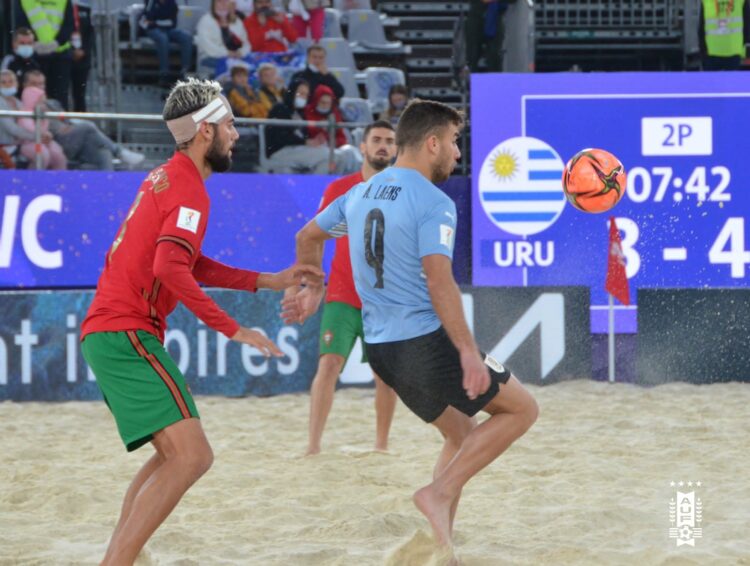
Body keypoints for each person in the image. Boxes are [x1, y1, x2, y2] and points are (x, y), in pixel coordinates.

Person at [80, 77, 323, 565]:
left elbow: (186, 261)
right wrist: (234, 329)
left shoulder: (166, 176)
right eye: (230, 124)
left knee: (173, 456)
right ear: (205, 130)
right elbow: (168, 268)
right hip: (127, 332)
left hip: (110, 332)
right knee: (193, 457)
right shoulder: (190, 190)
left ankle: (119, 556)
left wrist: (268, 281)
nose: (237, 134)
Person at [285, 99, 538, 549]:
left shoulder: (360, 191)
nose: (459, 154)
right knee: (522, 410)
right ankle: (437, 494)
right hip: (424, 340)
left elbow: (307, 237)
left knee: (461, 433)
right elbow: (439, 280)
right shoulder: (433, 201)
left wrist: (311, 284)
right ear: (432, 143)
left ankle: (441, 541)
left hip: (383, 351)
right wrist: (466, 352)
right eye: (455, 143)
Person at [303, 120, 398, 456]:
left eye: (389, 140)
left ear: (397, 148)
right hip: (342, 294)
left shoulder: (404, 192)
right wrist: (310, 282)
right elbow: (312, 236)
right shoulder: (339, 189)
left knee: (386, 377)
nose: (383, 146)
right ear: (363, 146)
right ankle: (313, 446)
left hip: (384, 301)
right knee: (328, 367)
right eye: (377, 140)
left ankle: (381, 447)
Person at [23, 70, 145, 169]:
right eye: (35, 84)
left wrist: (69, 127)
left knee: (103, 153)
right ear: (25, 85)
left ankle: (107, 191)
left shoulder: (53, 103)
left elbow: (66, 120)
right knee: (87, 126)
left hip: (73, 138)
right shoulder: (23, 106)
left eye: (41, 84)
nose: (39, 87)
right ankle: (119, 152)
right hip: (55, 142)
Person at [266, 78, 358, 174]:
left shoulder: (300, 112)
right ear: (292, 91)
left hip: (299, 149)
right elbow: (279, 136)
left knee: (332, 159)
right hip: (281, 151)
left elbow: (304, 135)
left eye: (305, 95)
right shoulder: (280, 108)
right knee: (333, 155)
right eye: (300, 93)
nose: (303, 97)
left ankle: (321, 187)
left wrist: (316, 140)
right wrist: (306, 141)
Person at [140, 0, 194, 87]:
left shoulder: (172, 3)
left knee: (186, 37)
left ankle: (185, 72)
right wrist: (154, 23)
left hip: (167, 29)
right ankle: (164, 74)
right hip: (153, 30)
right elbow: (145, 21)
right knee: (163, 38)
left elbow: (172, 23)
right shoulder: (150, 2)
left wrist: (156, 22)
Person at [195, 0, 250, 76]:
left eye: (226, 2)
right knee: (236, 68)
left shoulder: (237, 21)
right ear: (213, 4)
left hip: (236, 56)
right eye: (219, 2)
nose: (223, 4)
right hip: (211, 57)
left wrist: (241, 52)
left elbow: (246, 43)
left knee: (253, 64)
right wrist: (227, 53)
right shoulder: (206, 20)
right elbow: (207, 46)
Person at [17, 85, 67, 169]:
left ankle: (59, 179)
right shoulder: (24, 115)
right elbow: (32, 130)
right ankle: (33, 179)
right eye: (41, 102)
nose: (43, 105)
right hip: (27, 143)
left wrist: (48, 134)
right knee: (42, 156)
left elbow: (45, 129)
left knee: (58, 155)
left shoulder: (42, 114)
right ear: (32, 101)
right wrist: (42, 135)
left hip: (42, 141)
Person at [465, 0, 515, 73]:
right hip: (476, 17)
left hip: (496, 18)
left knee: (495, 56)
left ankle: (493, 82)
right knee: (472, 55)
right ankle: (471, 81)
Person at [699, 0, 750, 70]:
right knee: (731, 80)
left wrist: (702, 51)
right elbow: (747, 26)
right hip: (734, 52)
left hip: (711, 52)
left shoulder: (706, 1)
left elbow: (701, 28)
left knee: (712, 80)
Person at [0, 70, 37, 166]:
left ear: (16, 83)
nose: (8, 85)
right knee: (40, 155)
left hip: (20, 144)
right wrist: (36, 137)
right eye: (3, 82)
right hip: (5, 147)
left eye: (11, 81)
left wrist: (40, 134)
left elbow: (27, 124)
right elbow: (12, 128)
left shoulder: (18, 102)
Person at [70, 0, 94, 112]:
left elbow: (91, 32)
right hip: (66, 56)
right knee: (61, 93)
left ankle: (81, 120)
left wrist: (84, 50)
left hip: (83, 58)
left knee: (80, 94)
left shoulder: (86, 7)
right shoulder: (61, 7)